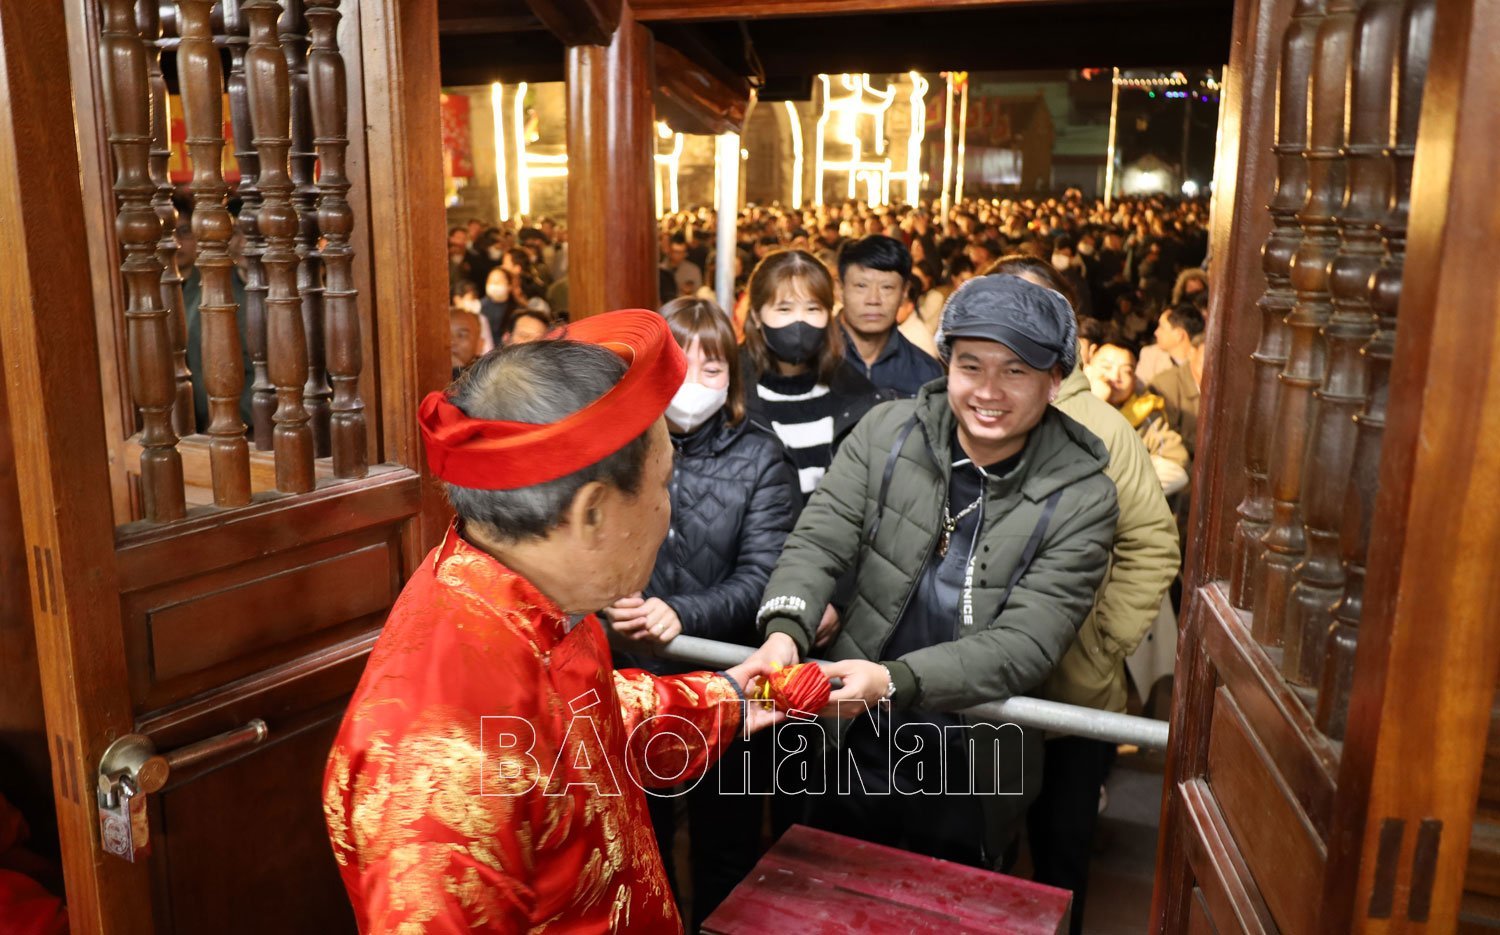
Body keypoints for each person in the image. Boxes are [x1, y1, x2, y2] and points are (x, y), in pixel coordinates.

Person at [324, 311, 784, 933]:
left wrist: (738, 696)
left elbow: (585, 729)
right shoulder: (443, 758)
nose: (666, 512)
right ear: (592, 513)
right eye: (664, 482)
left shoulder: (525, 592)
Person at [752, 274, 1120, 871]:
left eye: (1017, 371)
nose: (989, 391)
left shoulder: (1082, 496)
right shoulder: (886, 433)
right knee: (825, 885)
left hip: (969, 755)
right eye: (971, 366)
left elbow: (1026, 644)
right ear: (945, 364)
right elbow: (820, 537)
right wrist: (784, 631)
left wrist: (892, 680)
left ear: (1055, 382)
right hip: (851, 731)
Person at [987, 255, 1179, 935]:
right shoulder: (965, 408)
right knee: (978, 856)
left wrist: (1101, 643)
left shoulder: (1101, 426)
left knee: (1062, 856)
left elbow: (1151, 542)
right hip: (975, 691)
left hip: (1072, 694)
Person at [607, 298, 800, 929]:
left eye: (711, 371)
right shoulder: (620, 449)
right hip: (632, 683)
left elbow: (763, 578)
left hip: (730, 683)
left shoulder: (763, 457)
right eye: (679, 367)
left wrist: (680, 612)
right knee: (641, 852)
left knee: (728, 852)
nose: (692, 385)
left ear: (734, 380)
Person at [740, 249, 882, 503]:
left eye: (813, 309)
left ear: (829, 314)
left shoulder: (858, 395)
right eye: (784, 309)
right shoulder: (733, 396)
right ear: (756, 316)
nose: (799, 322)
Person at [837, 235, 944, 398]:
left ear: (904, 292)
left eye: (887, 287)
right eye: (861, 286)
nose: (873, 299)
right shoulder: (808, 359)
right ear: (840, 289)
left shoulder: (925, 373)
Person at [1086, 342, 1190, 496]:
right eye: (1106, 368)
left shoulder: (1145, 414)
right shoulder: (1062, 398)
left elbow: (1177, 467)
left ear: (1135, 380)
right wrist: (1093, 402)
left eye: (1126, 371)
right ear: (1088, 368)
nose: (1115, 377)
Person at [1150, 331, 1205, 461]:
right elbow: (1169, 439)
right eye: (1209, 355)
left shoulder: (1227, 388)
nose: (1215, 365)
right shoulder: (1164, 385)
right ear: (1192, 352)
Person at [1137, 302, 1205, 386]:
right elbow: (1140, 390)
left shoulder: (1201, 361)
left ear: (1179, 335)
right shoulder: (1150, 356)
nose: (1156, 332)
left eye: (1161, 327)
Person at [449, 306, 482, 381]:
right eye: (446, 335)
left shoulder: (490, 373)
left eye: (461, 335)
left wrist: (458, 370)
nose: (451, 342)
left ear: (480, 343)